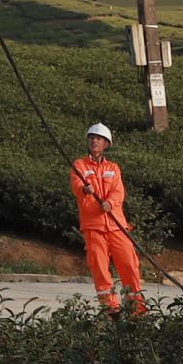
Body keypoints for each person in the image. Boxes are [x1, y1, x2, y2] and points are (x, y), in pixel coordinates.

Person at [70, 121, 144, 314]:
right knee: (100, 270)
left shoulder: (113, 167)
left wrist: (109, 203)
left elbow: (119, 192)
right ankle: (111, 311)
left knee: (129, 265)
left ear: (106, 144)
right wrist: (86, 190)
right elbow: (77, 186)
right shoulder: (79, 165)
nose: (94, 141)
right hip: (94, 227)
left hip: (117, 225)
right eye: (92, 138)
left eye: (99, 138)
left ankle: (137, 310)